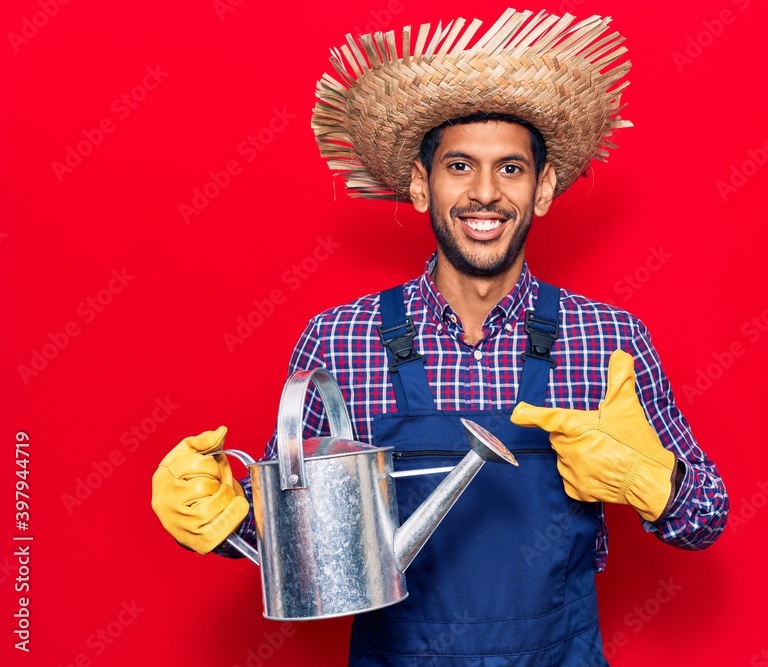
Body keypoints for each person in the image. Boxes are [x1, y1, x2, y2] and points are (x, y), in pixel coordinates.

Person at [151, 8, 728, 665]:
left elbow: (707, 515)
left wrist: (660, 483)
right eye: (460, 165)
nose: (485, 193)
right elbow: (300, 534)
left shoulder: (605, 340)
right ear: (422, 185)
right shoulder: (341, 341)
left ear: (542, 189)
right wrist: (224, 515)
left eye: (511, 169)